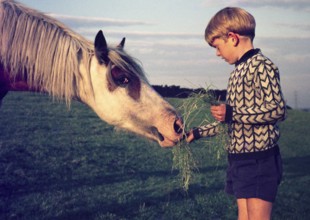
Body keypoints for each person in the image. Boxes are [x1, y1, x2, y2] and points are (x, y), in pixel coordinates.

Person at [186, 7, 286, 220]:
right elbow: (232, 122)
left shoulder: (262, 66)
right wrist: (197, 132)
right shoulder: (237, 73)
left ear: (232, 38)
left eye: (217, 46)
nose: (217, 53)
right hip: (239, 160)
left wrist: (233, 113)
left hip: (259, 160)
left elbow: (277, 109)